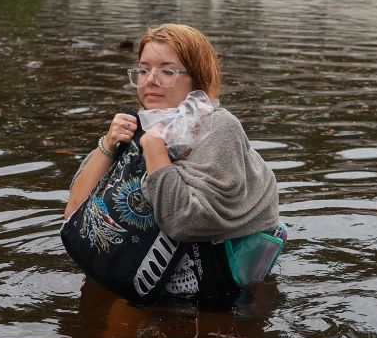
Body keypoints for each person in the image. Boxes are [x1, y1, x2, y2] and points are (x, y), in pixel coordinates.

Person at [64, 23, 280, 302]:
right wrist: (107, 145)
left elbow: (185, 223)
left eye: (167, 71)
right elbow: (73, 213)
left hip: (212, 293)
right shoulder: (139, 124)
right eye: (143, 70)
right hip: (141, 277)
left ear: (196, 78)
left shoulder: (218, 128)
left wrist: (154, 149)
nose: (150, 80)